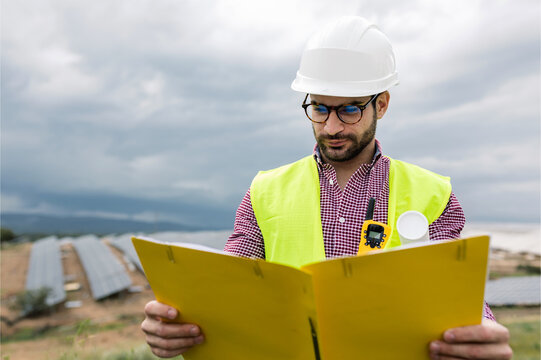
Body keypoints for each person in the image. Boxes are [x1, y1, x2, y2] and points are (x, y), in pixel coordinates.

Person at [142, 16, 512, 359]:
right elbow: (229, 291)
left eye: (349, 110)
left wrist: (484, 332)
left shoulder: (432, 194)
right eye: (319, 109)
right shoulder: (265, 190)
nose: (331, 127)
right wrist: (176, 324)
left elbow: (457, 296)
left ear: (381, 105)